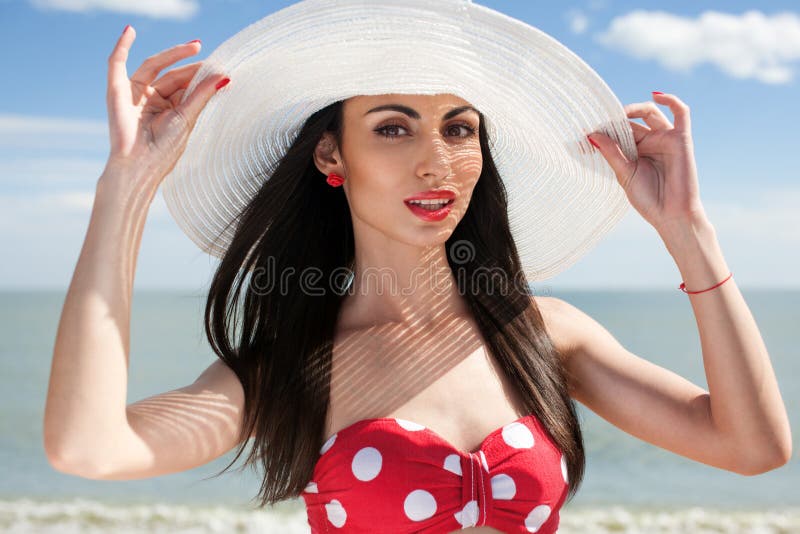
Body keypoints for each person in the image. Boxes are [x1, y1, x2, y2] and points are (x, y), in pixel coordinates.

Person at [44, 1, 791, 533]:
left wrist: (689, 234)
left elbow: (752, 446)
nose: (436, 160)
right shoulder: (286, 371)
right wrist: (127, 187)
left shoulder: (542, 335)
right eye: (393, 127)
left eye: (458, 128)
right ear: (331, 154)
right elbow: (89, 447)